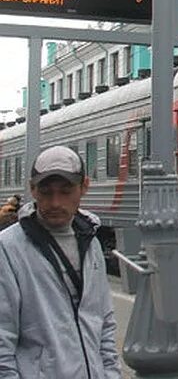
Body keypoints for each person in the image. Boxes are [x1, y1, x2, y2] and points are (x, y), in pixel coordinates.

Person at [0, 145, 121, 378]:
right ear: (32, 190)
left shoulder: (91, 243)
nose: (55, 202)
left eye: (65, 191)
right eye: (46, 192)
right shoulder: (8, 248)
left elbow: (104, 322)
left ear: (84, 187)